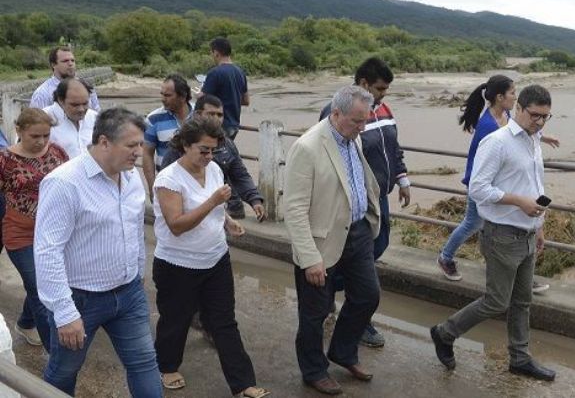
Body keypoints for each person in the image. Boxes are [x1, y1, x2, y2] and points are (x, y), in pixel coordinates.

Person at [430, 85, 557, 382]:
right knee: (497, 301)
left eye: (545, 117)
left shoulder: (532, 139)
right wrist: (517, 201)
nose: (540, 122)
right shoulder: (497, 142)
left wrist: (540, 227)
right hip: (501, 233)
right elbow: (477, 188)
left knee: (523, 300)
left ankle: (520, 358)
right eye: (535, 115)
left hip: (526, 233)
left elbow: (536, 186)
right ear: (520, 109)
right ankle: (444, 333)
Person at [34, 107, 162, 396]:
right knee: (63, 372)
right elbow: (47, 251)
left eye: (141, 144)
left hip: (128, 295)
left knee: (144, 362)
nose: (139, 153)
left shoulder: (129, 178)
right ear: (104, 142)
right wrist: (65, 313)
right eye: (131, 145)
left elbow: (133, 230)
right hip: (81, 299)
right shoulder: (64, 183)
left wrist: (137, 273)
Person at [151, 118, 268, 398]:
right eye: (203, 150)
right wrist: (214, 203)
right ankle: (166, 366)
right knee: (175, 319)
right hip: (177, 264)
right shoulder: (168, 179)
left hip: (215, 259)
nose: (209, 156)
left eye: (213, 150)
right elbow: (177, 225)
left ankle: (242, 383)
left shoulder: (213, 168)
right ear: (184, 145)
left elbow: (212, 204)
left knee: (224, 321)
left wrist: (227, 220)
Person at [286, 85, 381, 395]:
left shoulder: (352, 138)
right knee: (315, 311)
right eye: (357, 121)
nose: (362, 127)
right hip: (321, 241)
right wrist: (310, 257)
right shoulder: (308, 146)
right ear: (336, 113)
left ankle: (342, 351)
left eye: (365, 120)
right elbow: (295, 208)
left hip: (357, 232)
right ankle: (313, 370)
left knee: (368, 296)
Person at [318, 57, 409, 348]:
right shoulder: (336, 113)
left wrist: (402, 178)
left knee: (378, 246)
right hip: (350, 201)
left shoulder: (383, 109)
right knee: (361, 261)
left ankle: (333, 292)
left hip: (377, 197)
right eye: (380, 88)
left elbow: (393, 146)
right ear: (364, 84)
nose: (383, 94)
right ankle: (357, 318)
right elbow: (325, 157)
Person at [437, 76, 559, 292]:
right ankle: (446, 257)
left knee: (482, 225)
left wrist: (541, 136)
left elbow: (520, 133)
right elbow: (501, 150)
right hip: (483, 184)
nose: (515, 96)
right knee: (473, 224)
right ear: (500, 97)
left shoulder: (506, 115)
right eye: (512, 93)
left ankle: (505, 272)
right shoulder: (487, 126)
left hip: (499, 184)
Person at [0, 108, 69, 351]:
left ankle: (25, 322)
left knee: (45, 283)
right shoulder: (4, 160)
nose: (41, 142)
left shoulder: (58, 152)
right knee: (42, 291)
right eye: (34, 136)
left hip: (56, 231)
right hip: (21, 234)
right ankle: (56, 354)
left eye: (46, 135)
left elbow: (72, 183)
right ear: (19, 131)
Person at [160, 94, 265, 221]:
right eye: (211, 114)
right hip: (192, 217)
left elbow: (240, 175)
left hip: (228, 211)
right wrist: (211, 202)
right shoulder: (183, 145)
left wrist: (254, 200)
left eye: (220, 115)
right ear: (198, 114)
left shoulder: (227, 144)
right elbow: (173, 213)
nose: (216, 119)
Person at [143, 74, 193, 201]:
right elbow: (147, 154)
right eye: (162, 94)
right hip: (167, 185)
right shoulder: (153, 119)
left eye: (168, 95)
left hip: (196, 183)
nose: (163, 99)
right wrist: (152, 186)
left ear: (183, 96)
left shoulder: (200, 114)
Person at [199, 37, 249, 140]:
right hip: (235, 125)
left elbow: (204, 99)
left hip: (218, 125)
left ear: (216, 53)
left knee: (212, 153)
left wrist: (198, 95)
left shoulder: (215, 73)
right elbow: (246, 101)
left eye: (211, 52)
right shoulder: (240, 72)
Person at [30, 46, 101, 111]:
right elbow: (35, 122)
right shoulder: (42, 94)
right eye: (65, 61)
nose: (70, 64)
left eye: (72, 60)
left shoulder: (86, 87)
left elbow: (96, 114)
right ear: (53, 65)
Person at [43, 78, 98, 159]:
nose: (81, 109)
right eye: (75, 105)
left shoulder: (94, 117)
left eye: (85, 103)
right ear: (61, 100)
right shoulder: (43, 119)